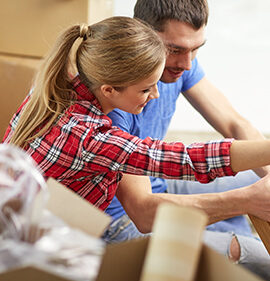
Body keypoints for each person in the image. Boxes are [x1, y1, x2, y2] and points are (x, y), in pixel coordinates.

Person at [3, 14, 270, 279]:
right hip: (53, 252)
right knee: (255, 256)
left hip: (45, 232)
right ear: (109, 90)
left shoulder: (63, 90)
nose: (155, 95)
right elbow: (181, 159)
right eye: (145, 89)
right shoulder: (91, 136)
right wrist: (247, 200)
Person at [102, 1, 270, 279]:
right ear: (141, 37)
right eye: (175, 50)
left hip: (160, 182)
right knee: (257, 256)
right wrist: (247, 201)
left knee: (257, 180)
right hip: (122, 224)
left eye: (196, 49)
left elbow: (233, 123)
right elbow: (142, 212)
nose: (186, 64)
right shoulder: (116, 101)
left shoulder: (181, 64)